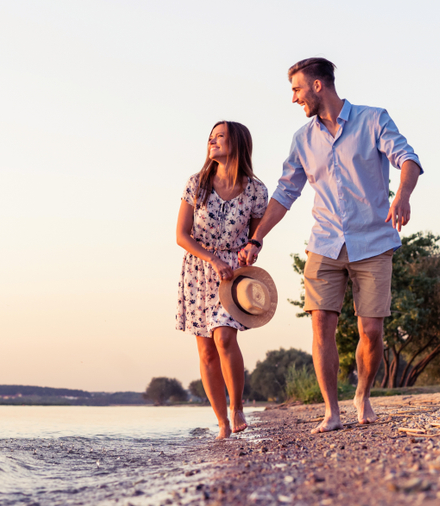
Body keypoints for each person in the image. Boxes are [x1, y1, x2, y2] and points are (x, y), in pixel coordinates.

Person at [239, 58, 423, 434]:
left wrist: (402, 195)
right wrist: (257, 237)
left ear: (318, 85)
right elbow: (285, 193)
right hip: (324, 243)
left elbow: (408, 160)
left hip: (372, 241)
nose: (293, 98)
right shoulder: (302, 140)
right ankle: (332, 412)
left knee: (371, 330)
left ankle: (363, 394)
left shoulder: (373, 120)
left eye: (296, 89)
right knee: (321, 323)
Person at [176, 121, 269, 439]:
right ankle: (222, 423)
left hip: (232, 273)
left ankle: (237, 407)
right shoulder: (196, 183)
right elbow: (181, 236)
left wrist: (251, 251)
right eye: (210, 137)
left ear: (238, 144)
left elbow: (256, 236)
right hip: (199, 269)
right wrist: (211, 259)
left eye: (220, 136)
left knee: (225, 337)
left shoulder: (256, 190)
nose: (212, 141)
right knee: (205, 351)